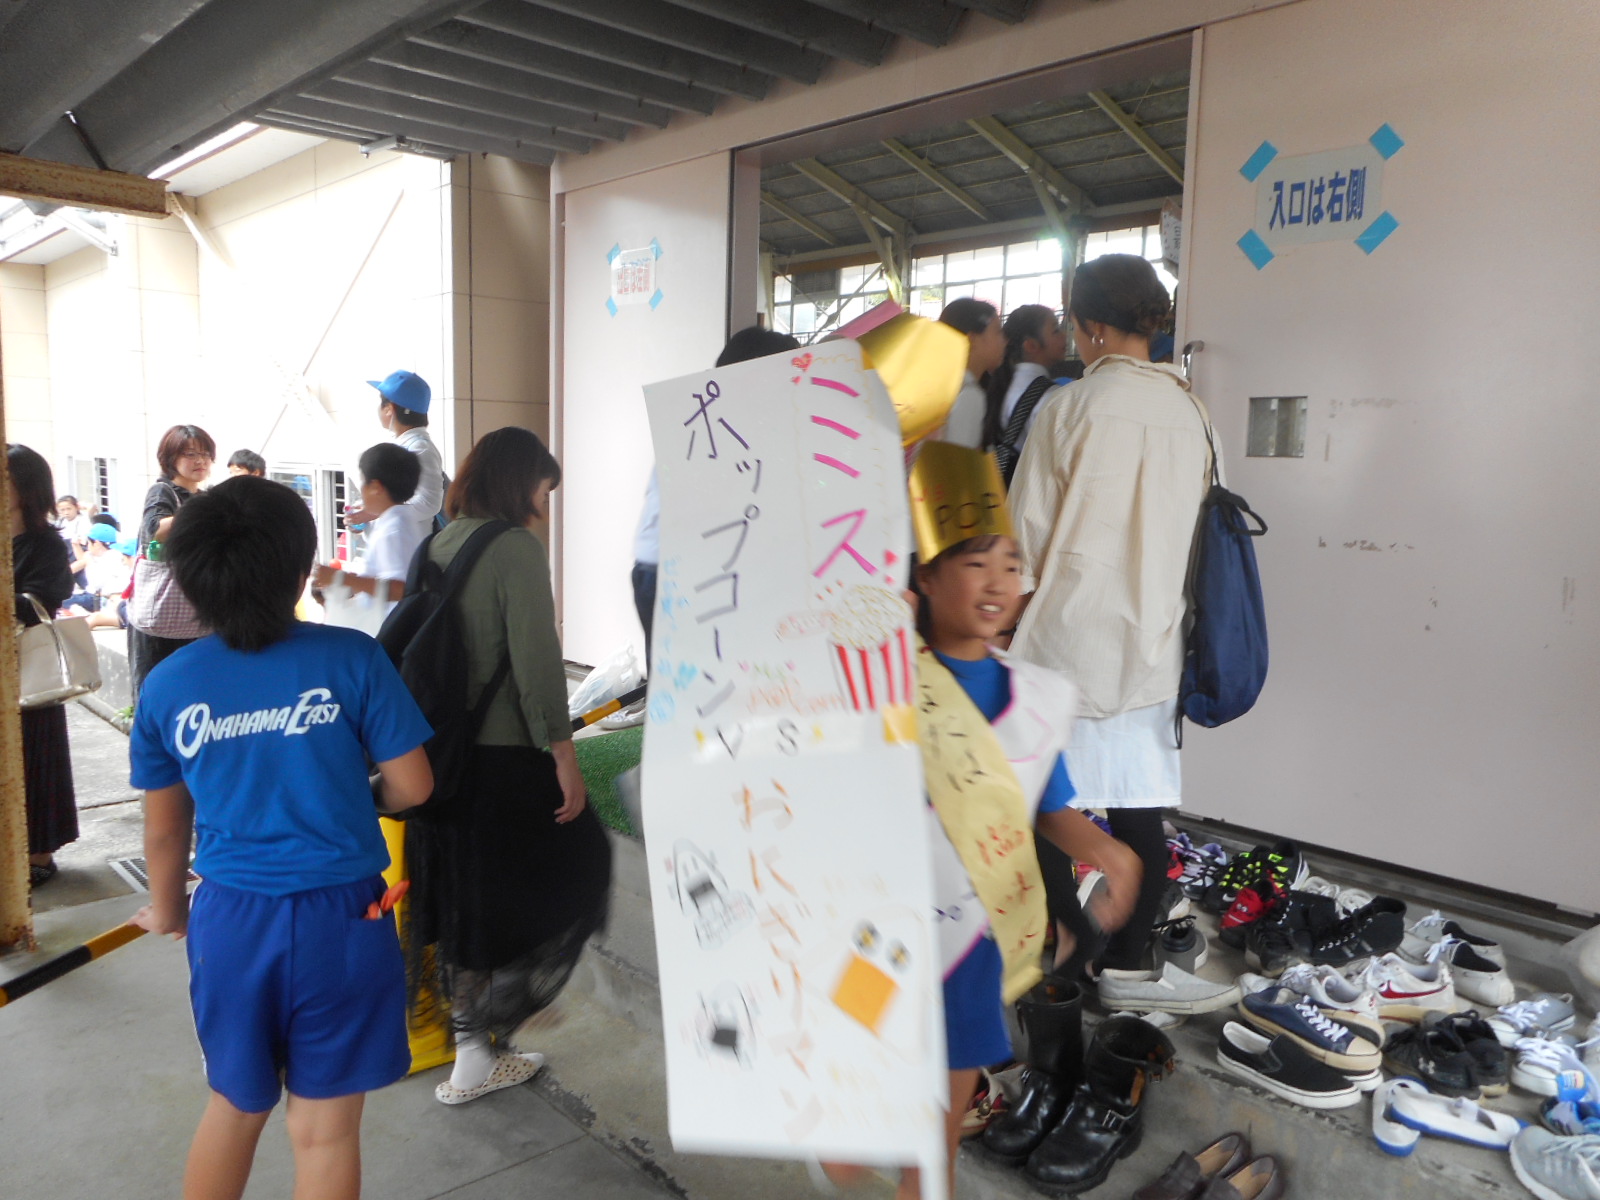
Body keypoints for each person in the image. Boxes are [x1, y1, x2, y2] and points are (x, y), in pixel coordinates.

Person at [825, 444, 1141, 1200]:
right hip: (881, 923)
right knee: (851, 1088)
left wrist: (1112, 854)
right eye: (974, 564)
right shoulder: (887, 676)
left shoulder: (1033, 697)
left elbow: (1049, 808)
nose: (998, 582)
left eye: (1010, 564)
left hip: (972, 932)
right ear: (926, 579)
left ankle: (926, 1181)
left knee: (953, 1071)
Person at [129, 475, 434, 1200]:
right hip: (346, 918)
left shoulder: (168, 686)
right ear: (302, 572)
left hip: (232, 921)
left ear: (192, 581)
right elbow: (414, 786)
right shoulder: (353, 659)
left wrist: (168, 909)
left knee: (235, 1107)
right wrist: (364, 798)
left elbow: (165, 831)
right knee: (326, 1132)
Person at [1008, 254, 1214, 995]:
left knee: (1045, 805)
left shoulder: (1069, 407)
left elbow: (1025, 537)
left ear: (1090, 326)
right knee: (1137, 811)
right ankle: (1127, 964)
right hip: (1155, 637)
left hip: (1068, 638)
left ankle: (1065, 958)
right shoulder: (1192, 412)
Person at [405, 426, 610, 1106]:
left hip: (439, 760)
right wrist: (565, 757)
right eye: (543, 491)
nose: (544, 506)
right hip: (501, 760)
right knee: (581, 858)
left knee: (464, 904)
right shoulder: (514, 548)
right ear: (520, 483)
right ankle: (509, 1008)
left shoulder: (436, 543)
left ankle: (474, 1051)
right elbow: (537, 664)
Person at [632, 327, 801, 664]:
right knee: (695, 675)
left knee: (683, 675)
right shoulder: (728, 422)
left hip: (663, 564)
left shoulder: (705, 414)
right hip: (678, 571)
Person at [9, 445, 79, 887]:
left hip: (31, 670)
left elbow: (43, 601)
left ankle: (39, 854)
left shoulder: (47, 543)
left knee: (34, 757)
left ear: (27, 487)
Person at [129, 424, 215, 702]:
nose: (200, 461)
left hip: (193, 610)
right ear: (170, 459)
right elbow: (154, 528)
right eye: (190, 454)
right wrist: (204, 511)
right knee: (159, 692)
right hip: (164, 613)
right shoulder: (163, 491)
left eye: (205, 454)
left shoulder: (204, 496)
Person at [313, 443, 424, 626]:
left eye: (363, 481)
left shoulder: (394, 529)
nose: (361, 490)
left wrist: (341, 578)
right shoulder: (396, 522)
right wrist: (352, 582)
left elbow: (401, 589)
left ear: (376, 487)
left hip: (389, 632)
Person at [347, 370, 444, 540]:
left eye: (381, 403)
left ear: (389, 409)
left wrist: (373, 512)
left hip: (407, 549)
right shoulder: (405, 445)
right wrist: (364, 514)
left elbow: (429, 503)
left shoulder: (420, 449)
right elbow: (395, 499)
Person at [981, 304, 1069, 481]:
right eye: (1055, 330)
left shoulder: (1004, 385)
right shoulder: (1050, 395)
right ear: (1031, 345)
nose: (1064, 335)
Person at [935, 298, 1005, 449]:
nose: (1004, 341)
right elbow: (958, 460)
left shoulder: (941, 386)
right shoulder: (969, 394)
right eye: (998, 332)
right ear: (971, 339)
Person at [64, 521, 122, 613]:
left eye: (88, 542)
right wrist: (76, 545)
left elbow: (96, 584)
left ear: (96, 544)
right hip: (93, 595)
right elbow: (82, 560)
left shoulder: (110, 558)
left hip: (98, 598)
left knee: (60, 602)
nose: (87, 545)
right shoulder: (111, 553)